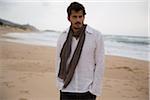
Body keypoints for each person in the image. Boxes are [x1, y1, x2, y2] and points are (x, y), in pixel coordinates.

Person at [55, 2, 105, 100]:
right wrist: (59, 84)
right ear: (68, 18)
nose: (78, 20)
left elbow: (100, 63)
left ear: (84, 17)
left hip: (86, 91)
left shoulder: (95, 36)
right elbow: (58, 60)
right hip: (66, 89)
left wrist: (94, 90)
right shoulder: (62, 36)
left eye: (80, 16)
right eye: (74, 17)